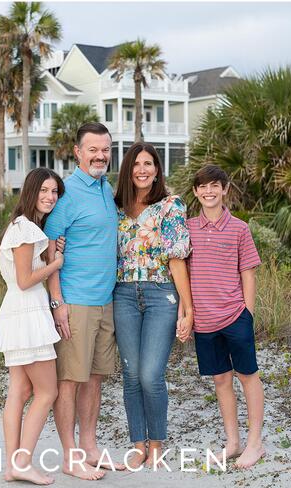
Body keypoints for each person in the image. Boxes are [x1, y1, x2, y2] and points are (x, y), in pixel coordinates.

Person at [44, 122, 125, 480]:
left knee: (94, 378)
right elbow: (49, 251)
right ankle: (69, 454)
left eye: (105, 149)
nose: (100, 155)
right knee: (69, 381)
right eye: (92, 149)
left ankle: (90, 448)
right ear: (77, 152)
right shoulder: (68, 194)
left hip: (105, 300)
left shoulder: (106, 189)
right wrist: (57, 302)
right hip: (75, 302)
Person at [112, 143, 193, 470]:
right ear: (128, 169)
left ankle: (157, 441)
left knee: (150, 374)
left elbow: (177, 259)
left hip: (161, 295)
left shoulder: (171, 206)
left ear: (157, 170)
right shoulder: (115, 207)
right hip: (123, 295)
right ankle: (138, 444)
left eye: (149, 164)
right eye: (136, 164)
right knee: (131, 373)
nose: (142, 169)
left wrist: (188, 309)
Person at [0, 167, 67, 485]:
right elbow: (25, 281)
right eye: (45, 191)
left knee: (20, 391)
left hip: (17, 314)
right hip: (28, 315)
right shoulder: (27, 230)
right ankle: (22, 461)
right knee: (47, 391)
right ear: (31, 192)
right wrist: (55, 263)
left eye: (55, 192)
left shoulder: (20, 227)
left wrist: (48, 253)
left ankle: (13, 464)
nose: (50, 197)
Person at [187, 164, 265, 469]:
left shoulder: (239, 228)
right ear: (196, 192)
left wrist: (247, 313)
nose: (209, 191)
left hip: (235, 315)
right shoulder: (189, 228)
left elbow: (248, 274)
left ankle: (255, 443)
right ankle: (233, 442)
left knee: (248, 376)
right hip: (205, 322)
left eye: (214, 186)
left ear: (225, 189)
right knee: (221, 380)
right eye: (203, 187)